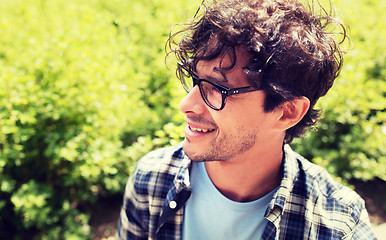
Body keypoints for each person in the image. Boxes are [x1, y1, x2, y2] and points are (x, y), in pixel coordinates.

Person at [117, 0, 376, 239]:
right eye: (195, 81)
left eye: (217, 89)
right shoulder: (151, 180)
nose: (186, 104)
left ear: (287, 112)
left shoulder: (338, 224)